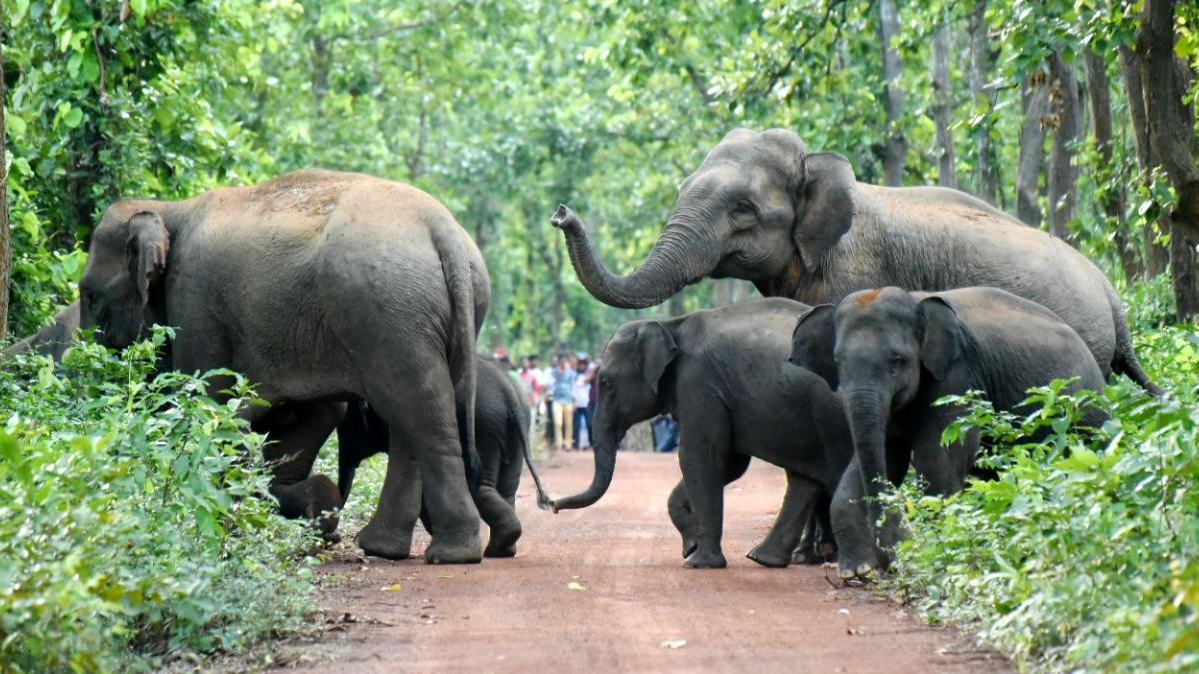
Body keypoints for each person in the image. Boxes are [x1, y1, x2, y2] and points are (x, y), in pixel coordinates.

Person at [550, 352, 577, 451]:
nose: (562, 361)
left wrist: (574, 400)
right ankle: (559, 444)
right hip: (557, 399)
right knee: (558, 422)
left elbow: (573, 386)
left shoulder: (570, 373)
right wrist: (558, 371)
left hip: (568, 399)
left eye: (563, 360)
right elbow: (550, 383)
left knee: (569, 423)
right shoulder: (553, 372)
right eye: (560, 360)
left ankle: (568, 444)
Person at [572, 355, 593, 449]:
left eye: (583, 364)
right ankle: (576, 444)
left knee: (589, 424)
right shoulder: (574, 376)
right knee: (576, 425)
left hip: (586, 403)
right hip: (577, 403)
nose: (581, 366)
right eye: (580, 364)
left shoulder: (588, 377)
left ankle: (590, 444)